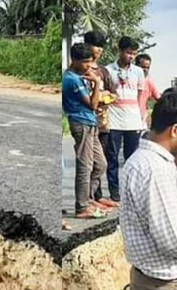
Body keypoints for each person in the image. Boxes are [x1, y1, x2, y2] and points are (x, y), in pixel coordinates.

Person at [120, 89, 177, 289]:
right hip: (165, 284)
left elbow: (162, 222)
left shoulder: (148, 160)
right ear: (175, 130)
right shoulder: (154, 170)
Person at [63, 43, 108, 219]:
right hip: (80, 123)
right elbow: (92, 104)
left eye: (90, 62)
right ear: (74, 60)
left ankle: (88, 199)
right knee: (85, 165)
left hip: (91, 123)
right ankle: (81, 207)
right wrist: (96, 83)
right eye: (85, 63)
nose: (89, 66)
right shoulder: (72, 79)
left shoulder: (80, 76)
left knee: (100, 164)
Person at [105, 36, 145, 203]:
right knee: (112, 157)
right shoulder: (108, 70)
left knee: (132, 158)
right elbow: (105, 94)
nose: (131, 56)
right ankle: (114, 192)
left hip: (133, 120)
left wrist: (141, 117)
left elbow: (141, 95)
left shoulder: (138, 71)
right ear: (120, 51)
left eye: (134, 54)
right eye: (129, 53)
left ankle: (131, 191)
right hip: (114, 120)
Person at [83, 31, 118, 207]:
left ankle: (97, 196)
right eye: (96, 46)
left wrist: (106, 97)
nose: (99, 50)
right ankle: (87, 198)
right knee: (88, 162)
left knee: (101, 162)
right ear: (87, 46)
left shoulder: (103, 71)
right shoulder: (82, 69)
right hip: (87, 121)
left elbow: (114, 93)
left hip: (103, 123)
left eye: (101, 47)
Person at [136, 53, 161, 128]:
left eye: (147, 68)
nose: (145, 70)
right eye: (143, 67)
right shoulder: (127, 79)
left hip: (141, 118)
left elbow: (159, 99)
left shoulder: (149, 81)